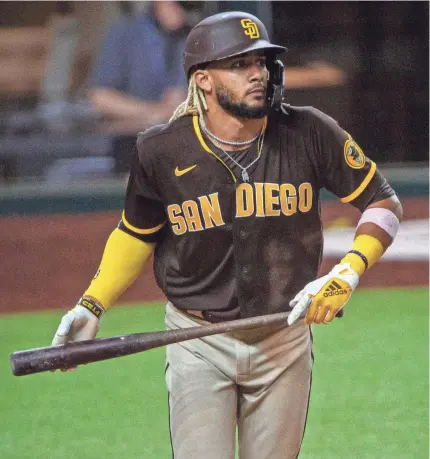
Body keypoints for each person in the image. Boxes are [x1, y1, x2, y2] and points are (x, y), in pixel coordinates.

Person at [52, 11, 403, 459]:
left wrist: (348, 272)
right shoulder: (161, 150)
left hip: (282, 337)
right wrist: (92, 304)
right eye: (238, 65)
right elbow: (137, 232)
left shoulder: (308, 132)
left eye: (261, 62)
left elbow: (384, 202)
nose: (257, 74)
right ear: (203, 80)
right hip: (196, 341)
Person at [87, 1, 198, 172]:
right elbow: (101, 98)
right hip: (131, 150)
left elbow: (181, 96)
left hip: (185, 152)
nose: (183, 13)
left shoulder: (194, 35)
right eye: (179, 4)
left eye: (190, 6)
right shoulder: (125, 34)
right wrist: (156, 112)